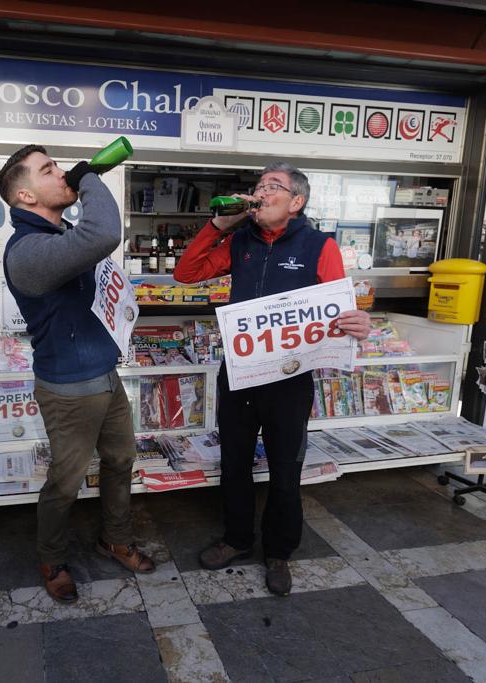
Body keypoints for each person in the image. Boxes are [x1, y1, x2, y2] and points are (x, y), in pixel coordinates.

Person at [174, 162, 371, 596]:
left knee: (285, 471)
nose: (260, 193)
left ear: (296, 202)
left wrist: (358, 322)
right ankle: (237, 539)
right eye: (258, 186)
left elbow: (338, 308)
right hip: (241, 376)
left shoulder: (320, 246)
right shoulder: (240, 241)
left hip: (290, 381)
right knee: (235, 466)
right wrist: (217, 225)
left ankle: (279, 551)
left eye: (273, 187)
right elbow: (185, 274)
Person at [0, 145, 155, 604]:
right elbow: (105, 231)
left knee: (121, 459)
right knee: (65, 482)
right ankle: (52, 558)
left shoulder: (61, 232)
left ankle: (115, 538)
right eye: (49, 170)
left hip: (105, 378)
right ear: (25, 195)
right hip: (68, 390)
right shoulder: (28, 252)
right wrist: (88, 175)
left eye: (61, 166)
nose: (63, 173)